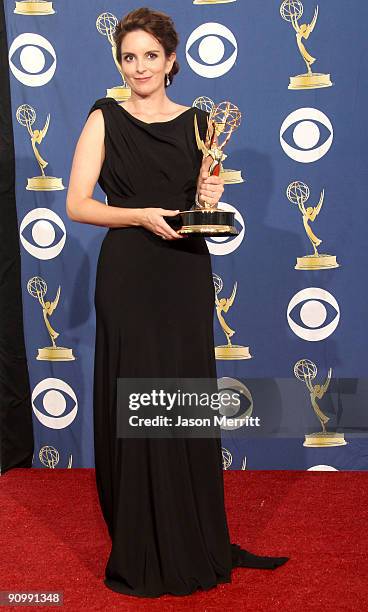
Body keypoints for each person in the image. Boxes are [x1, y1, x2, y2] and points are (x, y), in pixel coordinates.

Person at [66, 7, 289, 599]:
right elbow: (78, 205)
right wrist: (138, 214)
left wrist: (208, 192)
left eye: (149, 55)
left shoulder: (200, 123)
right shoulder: (103, 117)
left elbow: (198, 203)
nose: (138, 66)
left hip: (185, 273)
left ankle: (193, 540)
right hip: (130, 275)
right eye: (128, 56)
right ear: (121, 62)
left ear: (171, 61)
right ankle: (143, 545)